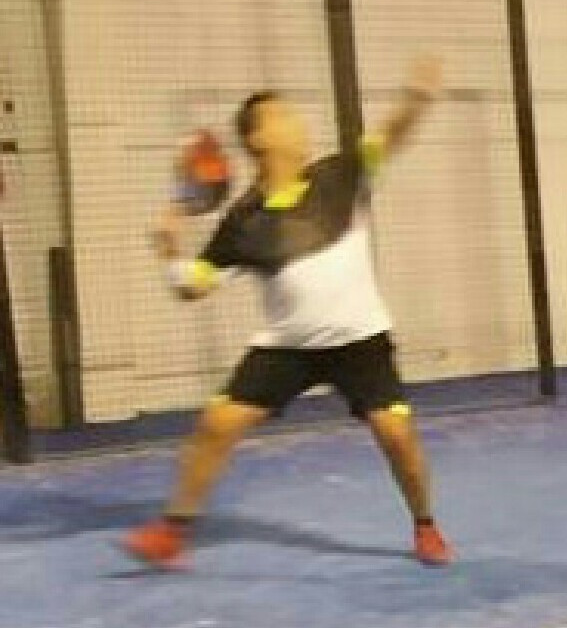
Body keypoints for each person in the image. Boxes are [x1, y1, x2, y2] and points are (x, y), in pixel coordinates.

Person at [122, 57, 453, 569]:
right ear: (258, 138)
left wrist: (416, 100)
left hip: (361, 340)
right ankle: (171, 533)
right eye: (285, 116)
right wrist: (169, 250)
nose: (300, 123)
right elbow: (194, 287)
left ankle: (425, 525)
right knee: (217, 423)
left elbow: (391, 136)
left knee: (397, 435)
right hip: (289, 347)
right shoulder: (243, 220)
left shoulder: (341, 175)